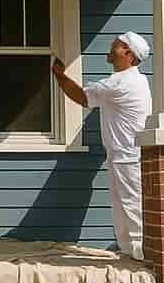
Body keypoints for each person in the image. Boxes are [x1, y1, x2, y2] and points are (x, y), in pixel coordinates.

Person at [51, 32, 153, 259]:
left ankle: (143, 255)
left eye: (115, 45)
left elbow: (82, 97)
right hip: (123, 156)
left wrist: (59, 75)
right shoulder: (137, 79)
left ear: (128, 53)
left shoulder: (120, 82)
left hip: (128, 157)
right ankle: (128, 250)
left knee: (132, 205)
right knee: (121, 206)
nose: (110, 48)